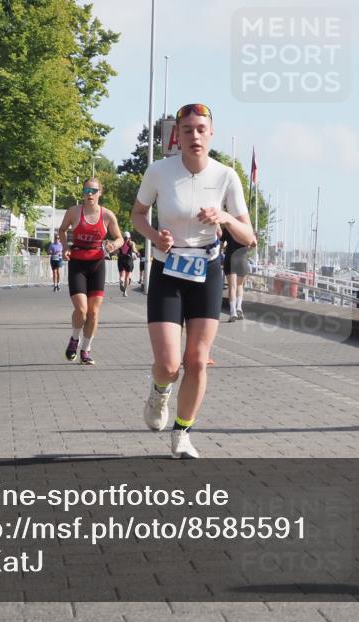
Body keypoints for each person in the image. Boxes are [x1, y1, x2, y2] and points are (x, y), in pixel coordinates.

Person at [131, 103, 253, 458]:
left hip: (207, 271)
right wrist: (155, 236)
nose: (195, 136)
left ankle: (182, 433)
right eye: (188, 130)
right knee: (169, 365)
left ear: (211, 133)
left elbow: (248, 236)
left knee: (197, 360)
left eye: (201, 129)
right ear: (177, 136)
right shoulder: (159, 171)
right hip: (168, 270)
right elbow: (137, 214)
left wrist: (225, 217)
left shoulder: (226, 176)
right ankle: (159, 391)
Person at [58, 178, 124, 365]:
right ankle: (74, 339)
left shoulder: (107, 216)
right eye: (86, 190)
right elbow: (62, 230)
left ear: (100, 193)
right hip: (77, 264)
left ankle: (86, 350)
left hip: (97, 265)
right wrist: (65, 248)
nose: (89, 194)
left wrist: (113, 245)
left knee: (94, 313)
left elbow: (119, 238)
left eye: (93, 191)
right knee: (81, 309)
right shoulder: (73, 212)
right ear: (82, 193)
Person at [222, 226, 255, 322]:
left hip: (230, 258)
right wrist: (247, 249)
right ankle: (239, 308)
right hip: (242, 259)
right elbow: (253, 244)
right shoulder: (246, 227)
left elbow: (221, 244)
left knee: (232, 287)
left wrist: (221, 250)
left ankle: (233, 312)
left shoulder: (227, 228)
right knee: (240, 286)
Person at [116, 232, 139, 296]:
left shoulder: (120, 243)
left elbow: (117, 252)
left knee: (122, 276)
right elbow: (134, 250)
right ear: (129, 237)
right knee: (127, 277)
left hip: (121, 259)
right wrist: (137, 253)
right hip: (128, 259)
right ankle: (125, 292)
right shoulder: (131, 243)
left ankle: (121, 281)